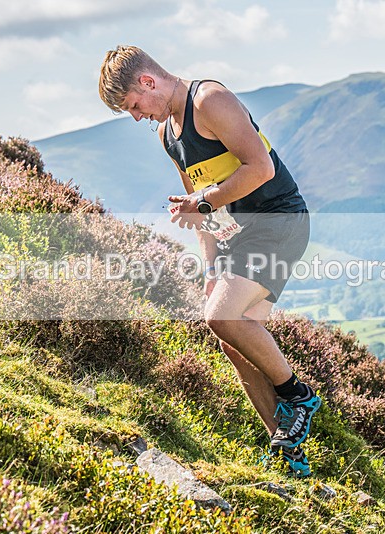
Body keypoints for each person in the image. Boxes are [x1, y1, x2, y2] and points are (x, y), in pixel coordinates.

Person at [99, 45, 320, 477]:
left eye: (134, 105)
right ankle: (288, 453)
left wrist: (201, 203)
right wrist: (211, 266)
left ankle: (298, 395)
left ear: (147, 81)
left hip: (280, 221)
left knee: (220, 318)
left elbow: (260, 169)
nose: (137, 116)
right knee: (232, 338)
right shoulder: (168, 135)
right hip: (240, 235)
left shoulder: (209, 100)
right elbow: (197, 207)